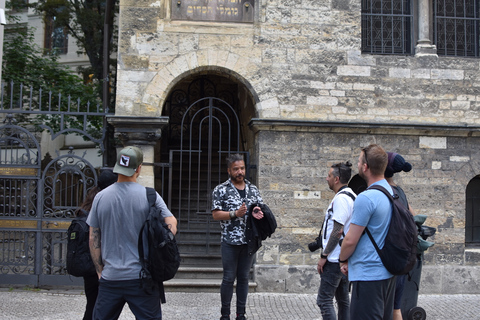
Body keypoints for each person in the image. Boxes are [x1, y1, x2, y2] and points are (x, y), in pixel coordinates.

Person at [87, 146, 178, 320]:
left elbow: (93, 237)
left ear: (117, 167)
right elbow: (172, 222)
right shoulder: (150, 196)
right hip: (142, 277)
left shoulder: (101, 197)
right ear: (138, 168)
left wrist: (100, 271)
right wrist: (163, 239)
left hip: (110, 278)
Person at [339, 144, 395, 320]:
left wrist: (342, 259)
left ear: (365, 167)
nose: (357, 165)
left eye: (358, 161)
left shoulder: (367, 197)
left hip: (369, 274)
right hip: (388, 271)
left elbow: (350, 240)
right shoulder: (390, 191)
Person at [211, 153, 265, 320]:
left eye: (242, 168)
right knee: (228, 278)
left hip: (249, 242)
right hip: (229, 241)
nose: (240, 172)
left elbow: (261, 208)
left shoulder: (253, 189)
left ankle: (241, 314)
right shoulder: (221, 189)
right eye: (236, 169)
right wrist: (235, 213)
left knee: (243, 279)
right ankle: (225, 315)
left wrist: (258, 213)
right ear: (229, 171)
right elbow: (216, 215)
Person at [75, 169, 118, 320]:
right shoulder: (106, 201)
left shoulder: (89, 203)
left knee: (92, 304)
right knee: (103, 308)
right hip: (102, 263)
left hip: (88, 263)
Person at [317, 162, 356, 320]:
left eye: (329, 176)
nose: (326, 178)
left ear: (337, 179)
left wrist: (324, 256)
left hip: (334, 259)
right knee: (343, 300)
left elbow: (337, 231)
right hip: (344, 257)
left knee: (324, 300)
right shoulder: (352, 195)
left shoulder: (341, 199)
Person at [385, 152, 414, 320]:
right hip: (402, 254)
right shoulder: (400, 191)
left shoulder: (384, 191)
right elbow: (413, 216)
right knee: (396, 308)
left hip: (389, 256)